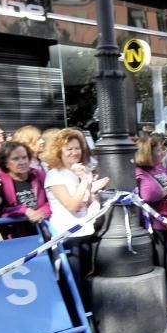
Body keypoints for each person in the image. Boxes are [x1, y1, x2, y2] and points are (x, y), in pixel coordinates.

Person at [45, 128, 110, 309]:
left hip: (85, 230)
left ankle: (87, 321)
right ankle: (75, 321)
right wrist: (84, 182)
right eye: (69, 149)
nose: (75, 153)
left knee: (85, 277)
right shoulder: (54, 175)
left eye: (77, 148)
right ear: (60, 152)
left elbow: (86, 202)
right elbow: (72, 205)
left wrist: (90, 185)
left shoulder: (80, 172)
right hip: (67, 234)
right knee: (72, 282)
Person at [134, 135, 167, 319]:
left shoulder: (158, 167)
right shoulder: (140, 172)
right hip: (154, 225)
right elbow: (149, 195)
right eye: (158, 150)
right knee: (160, 265)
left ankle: (163, 304)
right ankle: (158, 308)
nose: (162, 153)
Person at [0, 141, 51, 238]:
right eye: (15, 159)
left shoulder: (38, 175)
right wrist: (25, 211)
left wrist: (42, 212)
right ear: (6, 163)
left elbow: (50, 201)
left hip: (40, 230)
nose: (22, 162)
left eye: (24, 157)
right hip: (12, 234)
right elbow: (0, 209)